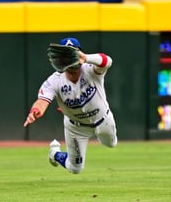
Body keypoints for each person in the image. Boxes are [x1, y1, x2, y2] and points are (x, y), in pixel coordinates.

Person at [23, 37, 118, 174]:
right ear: (61, 59)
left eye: (75, 53)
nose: (72, 58)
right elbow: (43, 101)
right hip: (76, 127)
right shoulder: (54, 81)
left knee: (111, 144)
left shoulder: (91, 69)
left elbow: (107, 61)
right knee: (75, 168)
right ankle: (54, 154)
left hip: (103, 120)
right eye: (68, 55)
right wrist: (36, 110)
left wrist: (86, 58)